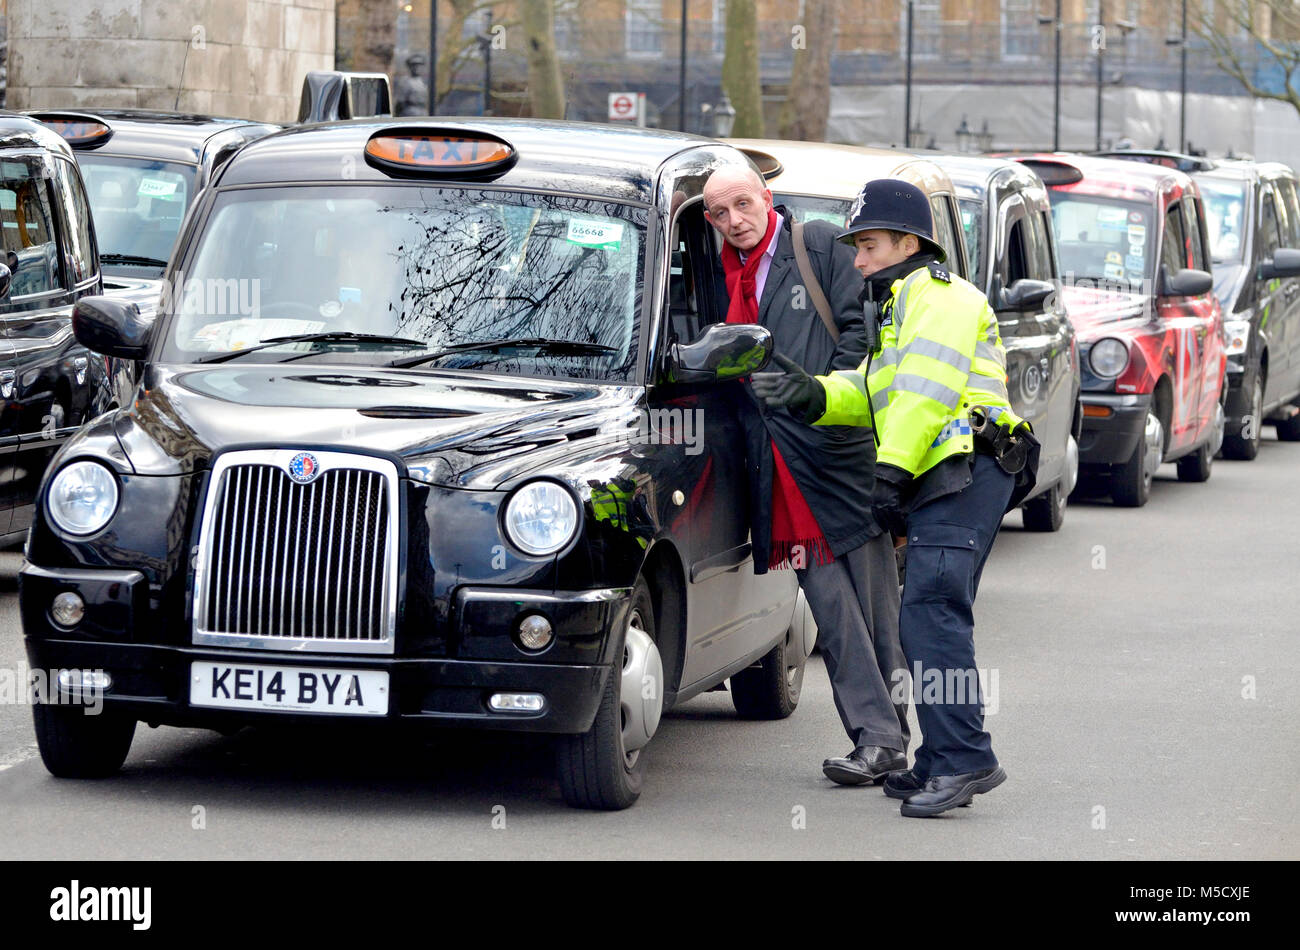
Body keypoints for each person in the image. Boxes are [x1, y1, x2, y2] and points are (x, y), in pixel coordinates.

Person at [753, 179, 1038, 817]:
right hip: (948, 472)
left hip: (967, 466)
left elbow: (923, 393)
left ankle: (965, 759)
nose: (856, 261)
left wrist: (889, 473)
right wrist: (811, 394)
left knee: (933, 610)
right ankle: (940, 757)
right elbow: (875, 389)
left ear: (907, 244)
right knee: (924, 614)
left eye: (869, 246)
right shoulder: (900, 307)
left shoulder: (940, 298)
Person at [702, 166, 911, 785]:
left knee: (876, 610)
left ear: (768, 199)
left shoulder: (817, 243)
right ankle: (877, 740)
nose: (735, 221)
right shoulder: (715, 273)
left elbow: (863, 337)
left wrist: (818, 396)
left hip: (838, 458)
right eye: (720, 212)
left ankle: (895, 735)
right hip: (777, 470)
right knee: (835, 614)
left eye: (744, 204)